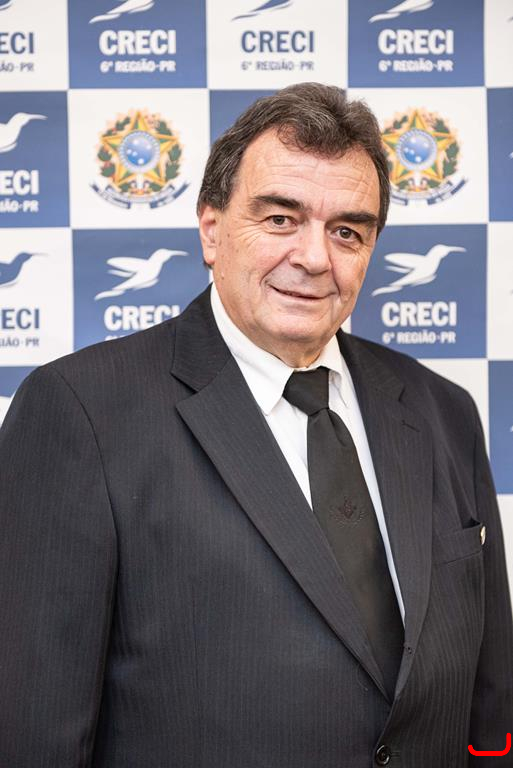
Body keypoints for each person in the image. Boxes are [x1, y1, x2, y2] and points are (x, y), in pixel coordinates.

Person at [0, 83, 512, 768]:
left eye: (346, 231)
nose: (313, 257)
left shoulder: (442, 410)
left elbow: (488, 698)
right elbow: (34, 730)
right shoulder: (78, 410)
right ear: (211, 230)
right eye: (279, 218)